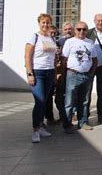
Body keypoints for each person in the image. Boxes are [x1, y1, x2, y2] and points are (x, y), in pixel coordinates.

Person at [25, 13, 57, 143]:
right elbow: (27, 56)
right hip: (38, 72)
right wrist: (30, 74)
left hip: (49, 72)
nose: (46, 24)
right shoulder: (34, 37)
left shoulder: (51, 38)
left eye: (48, 22)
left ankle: (41, 126)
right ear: (39, 23)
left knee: (45, 101)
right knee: (39, 101)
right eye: (43, 22)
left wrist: (55, 74)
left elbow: (54, 58)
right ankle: (35, 130)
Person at [62, 21, 98, 133]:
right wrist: (66, 73)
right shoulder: (69, 42)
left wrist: (91, 73)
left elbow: (95, 59)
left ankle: (83, 122)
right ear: (74, 30)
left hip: (86, 76)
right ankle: (67, 125)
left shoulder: (90, 43)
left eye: (84, 29)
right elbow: (64, 59)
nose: (81, 31)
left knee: (85, 101)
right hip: (73, 75)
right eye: (79, 29)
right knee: (69, 101)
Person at [44, 25, 60, 126]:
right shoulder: (42, 41)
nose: (53, 34)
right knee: (44, 98)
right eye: (51, 32)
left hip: (53, 72)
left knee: (50, 97)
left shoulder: (55, 42)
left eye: (55, 33)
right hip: (43, 72)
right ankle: (43, 119)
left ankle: (50, 118)